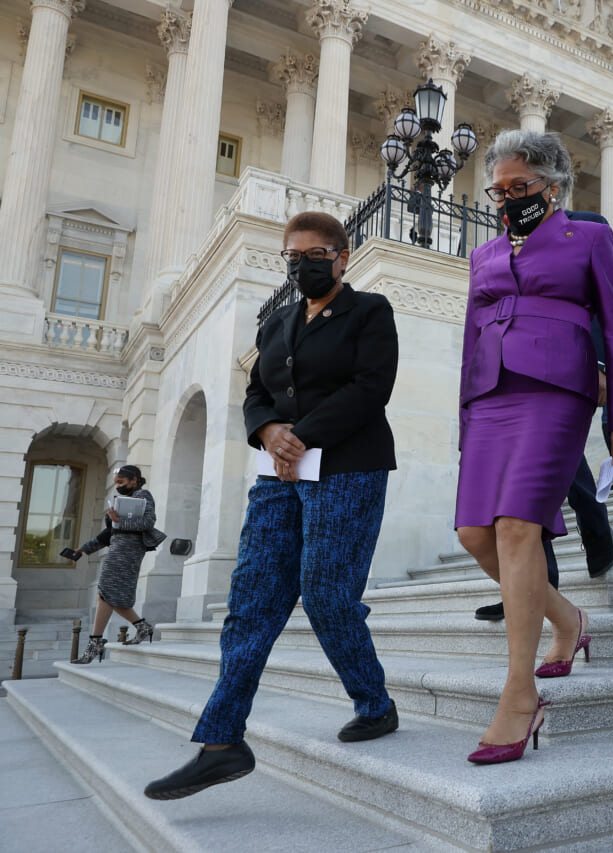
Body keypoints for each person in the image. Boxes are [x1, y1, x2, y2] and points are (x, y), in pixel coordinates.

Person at [145, 210, 400, 800]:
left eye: (314, 256)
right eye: (293, 257)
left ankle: (374, 703)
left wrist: (301, 433)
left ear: (341, 257)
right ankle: (222, 742)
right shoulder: (278, 321)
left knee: (327, 594)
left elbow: (371, 387)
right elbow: (256, 392)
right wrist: (267, 433)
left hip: (347, 467)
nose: (302, 266)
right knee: (252, 599)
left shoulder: (370, 311)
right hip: (278, 475)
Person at [456, 130, 613, 765]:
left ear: (553, 186)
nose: (507, 198)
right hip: (490, 392)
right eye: (498, 189)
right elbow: (473, 334)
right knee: (475, 535)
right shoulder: (482, 255)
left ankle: (519, 693)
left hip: (558, 386)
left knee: (514, 528)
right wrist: (462, 421)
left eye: (520, 187)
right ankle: (568, 619)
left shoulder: (587, 238)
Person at [69, 464, 162, 663]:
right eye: (116, 483)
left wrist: (119, 520)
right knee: (107, 593)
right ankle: (138, 627)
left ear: (134, 479)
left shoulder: (143, 495)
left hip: (129, 550)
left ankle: (96, 644)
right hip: (117, 547)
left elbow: (148, 522)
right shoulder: (121, 500)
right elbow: (109, 533)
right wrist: (84, 549)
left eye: (121, 482)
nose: (118, 486)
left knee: (106, 592)